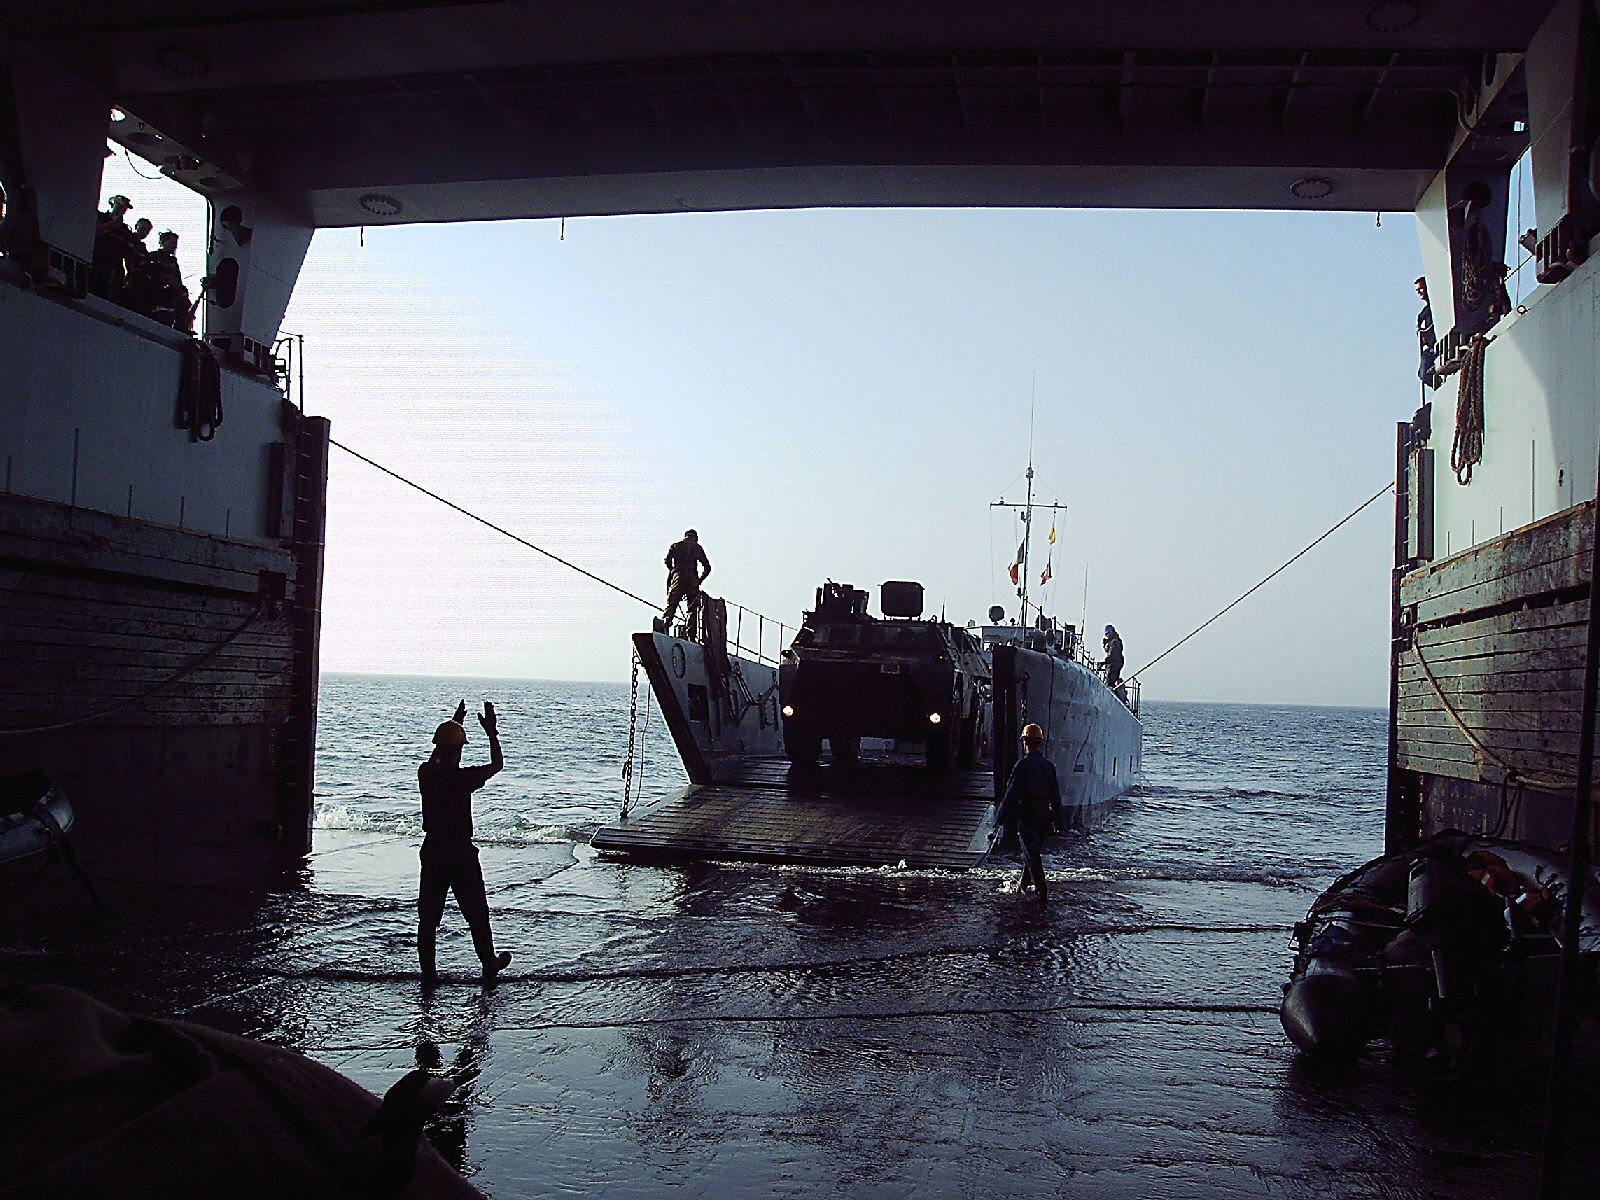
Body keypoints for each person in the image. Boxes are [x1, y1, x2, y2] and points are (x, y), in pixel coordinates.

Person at [417, 699, 512, 988]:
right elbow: (498, 764)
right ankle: (488, 964)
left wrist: (456, 722)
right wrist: (491, 733)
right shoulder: (462, 779)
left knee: (429, 917)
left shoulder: (426, 773)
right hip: (459, 852)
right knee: (476, 913)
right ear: (457, 750)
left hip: (432, 850)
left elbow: (439, 755)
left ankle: (429, 975)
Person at [995, 723, 1063, 910]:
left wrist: (1000, 817)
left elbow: (1012, 793)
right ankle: (1022, 887)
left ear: (1024, 742)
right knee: (1032, 850)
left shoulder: (1022, 766)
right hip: (1044, 815)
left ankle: (1042, 891)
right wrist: (1058, 821)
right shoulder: (1049, 766)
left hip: (1027, 814)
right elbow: (1056, 795)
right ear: (1040, 743)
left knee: (1031, 854)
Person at [657, 528, 711, 631]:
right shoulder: (697, 548)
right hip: (692, 580)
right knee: (692, 609)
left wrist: (673, 571)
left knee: (672, 604)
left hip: (678, 577)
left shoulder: (676, 545)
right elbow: (707, 568)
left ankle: (665, 625)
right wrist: (699, 581)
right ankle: (691, 633)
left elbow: (667, 560)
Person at [88, 195, 134, 299]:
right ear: (112, 204)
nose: (122, 210)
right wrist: (113, 224)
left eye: (124, 208)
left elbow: (128, 254)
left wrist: (129, 273)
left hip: (111, 268)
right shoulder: (100, 217)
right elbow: (94, 232)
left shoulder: (125, 231)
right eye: (119, 206)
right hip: (95, 260)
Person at [1415, 276, 1439, 390]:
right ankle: (1438, 384)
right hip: (1432, 346)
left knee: (1424, 374)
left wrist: (1420, 320)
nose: (1419, 293)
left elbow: (1426, 313)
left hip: (1436, 346)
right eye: (1417, 290)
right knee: (1422, 374)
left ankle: (1439, 384)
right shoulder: (1429, 308)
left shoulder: (1435, 306)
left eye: (1421, 289)